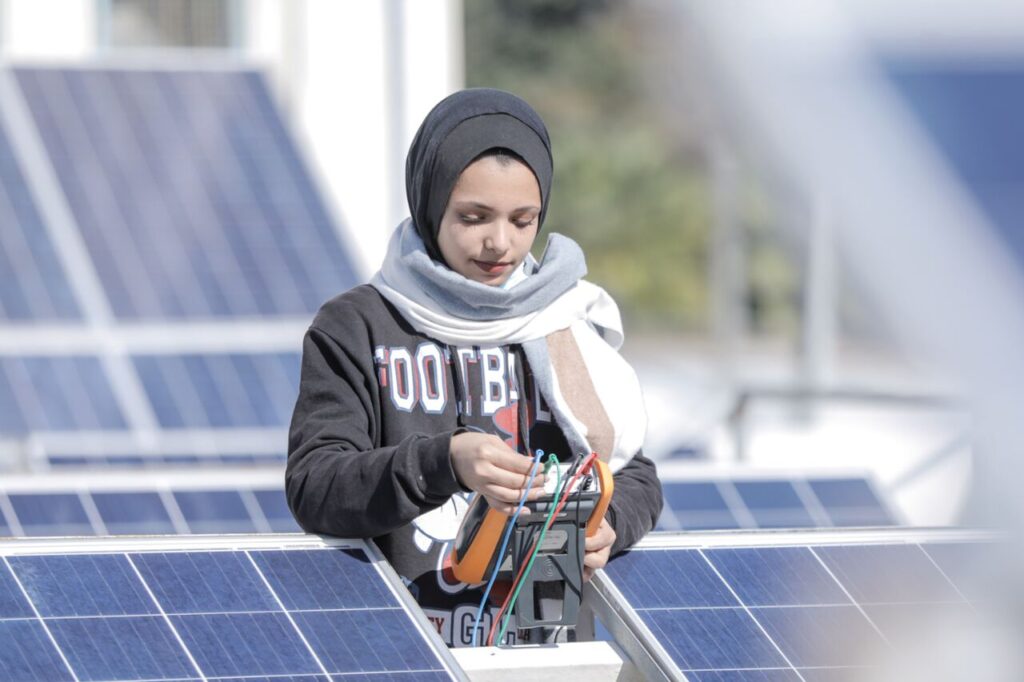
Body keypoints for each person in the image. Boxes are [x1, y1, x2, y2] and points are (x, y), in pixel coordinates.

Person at [287, 88, 662, 648]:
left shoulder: (564, 320)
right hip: (398, 651)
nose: (499, 242)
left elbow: (633, 475)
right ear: (430, 203)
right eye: (473, 217)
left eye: (523, 220)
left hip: (543, 655)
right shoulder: (358, 326)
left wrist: (611, 525)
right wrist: (442, 462)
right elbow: (315, 487)